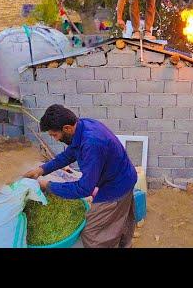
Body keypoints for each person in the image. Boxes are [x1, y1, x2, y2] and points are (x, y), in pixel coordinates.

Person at [23, 104, 138, 248]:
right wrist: (41, 170)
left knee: (92, 232)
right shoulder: (82, 125)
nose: (55, 139)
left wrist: (48, 185)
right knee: (120, 218)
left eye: (54, 135)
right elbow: (69, 155)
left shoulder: (92, 144)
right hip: (122, 175)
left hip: (116, 186)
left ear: (67, 128)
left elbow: (84, 188)